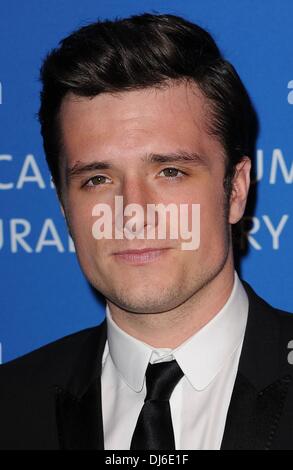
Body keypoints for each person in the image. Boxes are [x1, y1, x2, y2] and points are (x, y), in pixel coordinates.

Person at [0, 12, 292, 451]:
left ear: (235, 190)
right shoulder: (11, 404)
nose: (132, 213)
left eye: (170, 171)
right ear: (63, 206)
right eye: (97, 180)